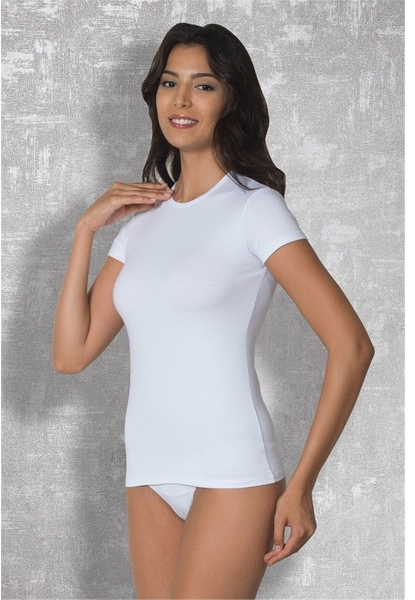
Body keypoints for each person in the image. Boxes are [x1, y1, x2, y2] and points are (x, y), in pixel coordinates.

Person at [52, 22, 374, 599]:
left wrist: (302, 484)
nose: (181, 100)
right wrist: (85, 231)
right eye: (169, 83)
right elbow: (71, 355)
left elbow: (352, 345)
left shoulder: (255, 209)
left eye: (203, 86)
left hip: (232, 470)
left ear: (231, 99)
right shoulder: (141, 222)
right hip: (149, 471)